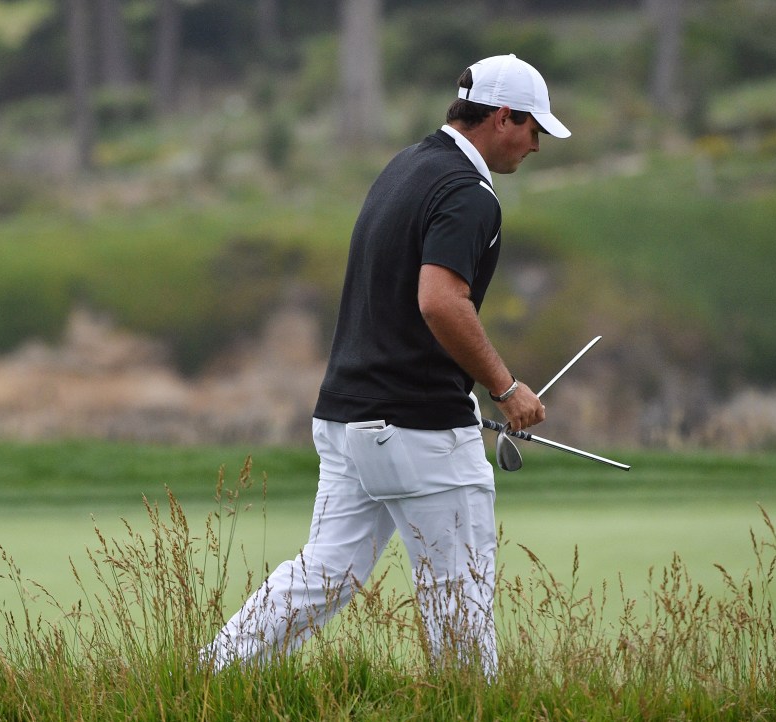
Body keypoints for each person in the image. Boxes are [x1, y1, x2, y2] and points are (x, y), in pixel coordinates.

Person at [200, 54, 570, 677]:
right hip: (418, 429)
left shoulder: (407, 166)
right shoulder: (470, 194)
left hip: (349, 419)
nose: (536, 147)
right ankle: (469, 710)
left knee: (325, 573)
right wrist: (506, 388)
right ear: (504, 117)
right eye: (535, 131)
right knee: (460, 594)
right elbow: (439, 301)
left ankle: (208, 676)